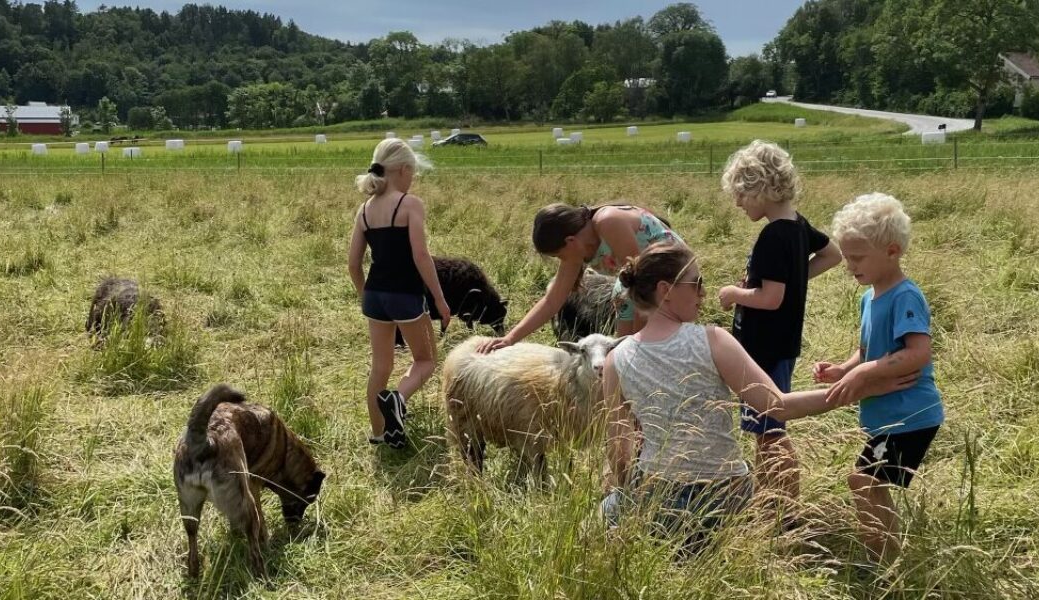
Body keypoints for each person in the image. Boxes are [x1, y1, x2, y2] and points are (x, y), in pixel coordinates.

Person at [601, 243, 916, 557]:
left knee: (606, 513)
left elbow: (619, 449)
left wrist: (634, 500)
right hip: (723, 497)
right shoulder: (711, 340)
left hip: (656, 496)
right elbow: (778, 405)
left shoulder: (616, 360)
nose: (703, 294)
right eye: (697, 283)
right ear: (665, 290)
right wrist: (861, 389)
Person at [812, 192, 945, 562]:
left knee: (862, 481)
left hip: (911, 414)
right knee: (872, 484)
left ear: (892, 251)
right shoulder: (869, 296)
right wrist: (845, 367)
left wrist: (869, 371)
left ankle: (883, 562)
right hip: (888, 414)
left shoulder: (905, 296)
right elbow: (868, 348)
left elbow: (919, 352)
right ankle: (889, 555)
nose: (849, 265)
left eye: (857, 257)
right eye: (847, 256)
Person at [716, 140, 842, 512]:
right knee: (768, 428)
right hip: (781, 344)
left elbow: (770, 299)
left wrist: (735, 293)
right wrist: (796, 278)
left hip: (764, 347)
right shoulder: (797, 225)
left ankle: (781, 506)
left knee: (769, 431)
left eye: (741, 194)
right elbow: (832, 254)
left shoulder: (774, 235)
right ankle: (772, 500)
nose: (738, 203)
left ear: (759, 186)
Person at [347, 138, 450, 449]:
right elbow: (421, 256)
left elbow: (353, 264)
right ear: (403, 170)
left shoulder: (364, 210)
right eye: (413, 173)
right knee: (427, 360)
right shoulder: (410, 204)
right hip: (405, 295)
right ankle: (398, 400)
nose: (413, 179)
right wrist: (441, 300)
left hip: (375, 296)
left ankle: (380, 434)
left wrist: (366, 296)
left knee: (381, 367)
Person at [475, 203, 682, 354]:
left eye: (558, 255)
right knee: (621, 353)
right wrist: (510, 338)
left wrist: (640, 344)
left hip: (671, 277)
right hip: (631, 283)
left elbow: (643, 284)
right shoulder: (576, 250)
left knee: (641, 351)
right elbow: (552, 301)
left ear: (570, 240)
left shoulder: (608, 221)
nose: (561, 260)